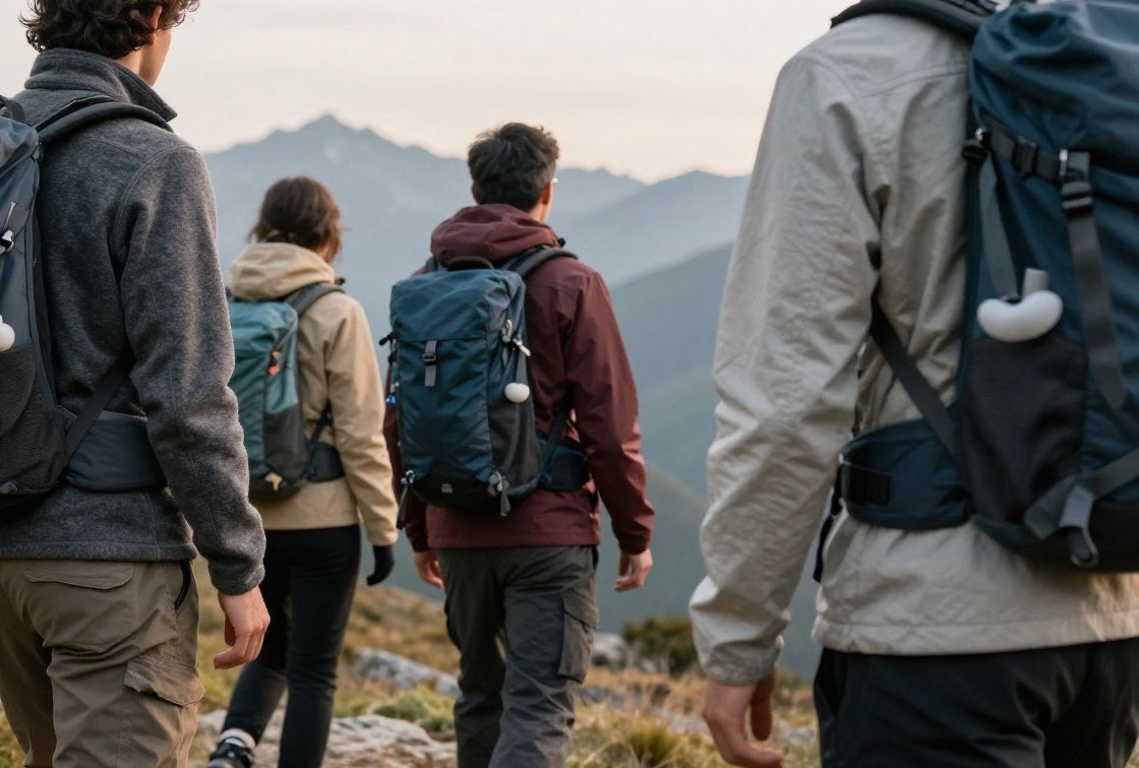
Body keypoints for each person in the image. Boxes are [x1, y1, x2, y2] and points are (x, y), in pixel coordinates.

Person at [690, 9, 1139, 768]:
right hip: (1113, 614)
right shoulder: (1104, 55)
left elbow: (786, 405)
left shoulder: (845, 74)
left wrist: (738, 637)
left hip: (931, 627)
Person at [0, 2, 270, 766]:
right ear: (155, 16)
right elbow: (189, 395)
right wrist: (237, 565)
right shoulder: (152, 159)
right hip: (103, 564)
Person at [386, 123, 656, 768]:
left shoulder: (427, 283)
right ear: (548, 194)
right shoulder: (572, 282)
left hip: (457, 525)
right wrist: (636, 533)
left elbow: (401, 420)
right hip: (548, 530)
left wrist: (421, 526)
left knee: (481, 697)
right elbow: (608, 425)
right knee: (538, 705)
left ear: (476, 189)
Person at [206, 177, 400, 768]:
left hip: (245, 515)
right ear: (328, 232)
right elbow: (361, 434)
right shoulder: (337, 311)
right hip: (324, 518)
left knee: (266, 645)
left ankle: (233, 747)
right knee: (313, 669)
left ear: (262, 228)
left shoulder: (222, 300)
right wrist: (383, 529)